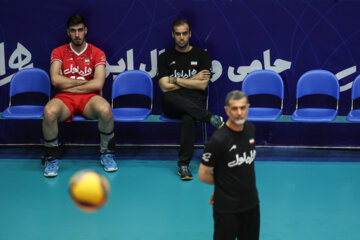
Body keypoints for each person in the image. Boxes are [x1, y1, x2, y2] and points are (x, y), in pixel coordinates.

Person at [42, 14, 117, 177]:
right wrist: (84, 83)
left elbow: (98, 84)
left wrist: (68, 83)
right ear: (68, 32)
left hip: (89, 99)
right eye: (73, 31)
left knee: (105, 109)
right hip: (64, 99)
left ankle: (107, 154)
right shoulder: (59, 52)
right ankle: (52, 157)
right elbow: (55, 80)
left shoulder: (97, 52)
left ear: (86, 31)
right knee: (49, 111)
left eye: (80, 30)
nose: (77, 35)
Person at [157, 18, 224, 181]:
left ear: (190, 34)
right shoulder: (165, 57)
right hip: (172, 102)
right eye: (178, 34)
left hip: (195, 102)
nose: (181, 37)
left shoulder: (202, 55)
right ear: (173, 34)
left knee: (189, 118)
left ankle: (183, 165)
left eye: (184, 34)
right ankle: (210, 118)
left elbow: (202, 86)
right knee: (168, 95)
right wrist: (193, 78)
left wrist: (175, 80)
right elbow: (164, 87)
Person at [198, 90, 260, 240]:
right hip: (227, 209)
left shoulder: (250, 129)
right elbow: (203, 174)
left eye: (243, 107)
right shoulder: (218, 140)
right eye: (234, 108)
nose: (239, 112)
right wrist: (222, 186)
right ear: (227, 110)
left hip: (251, 204)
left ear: (248, 108)